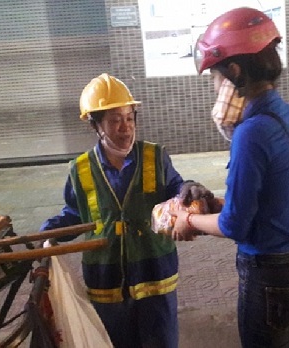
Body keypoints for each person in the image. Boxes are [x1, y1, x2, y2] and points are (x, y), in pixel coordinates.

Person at [171, 7, 289, 348]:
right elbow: (274, 201)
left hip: (267, 279)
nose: (215, 86)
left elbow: (236, 225)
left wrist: (189, 218)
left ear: (235, 72)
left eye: (215, 77)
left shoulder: (251, 133)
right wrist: (214, 204)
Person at [40, 73, 211, 348]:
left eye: (129, 118)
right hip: (106, 280)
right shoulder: (80, 169)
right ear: (96, 125)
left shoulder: (155, 157)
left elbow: (177, 190)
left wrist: (189, 188)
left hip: (155, 274)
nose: (125, 128)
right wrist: (49, 233)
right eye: (114, 120)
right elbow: (75, 213)